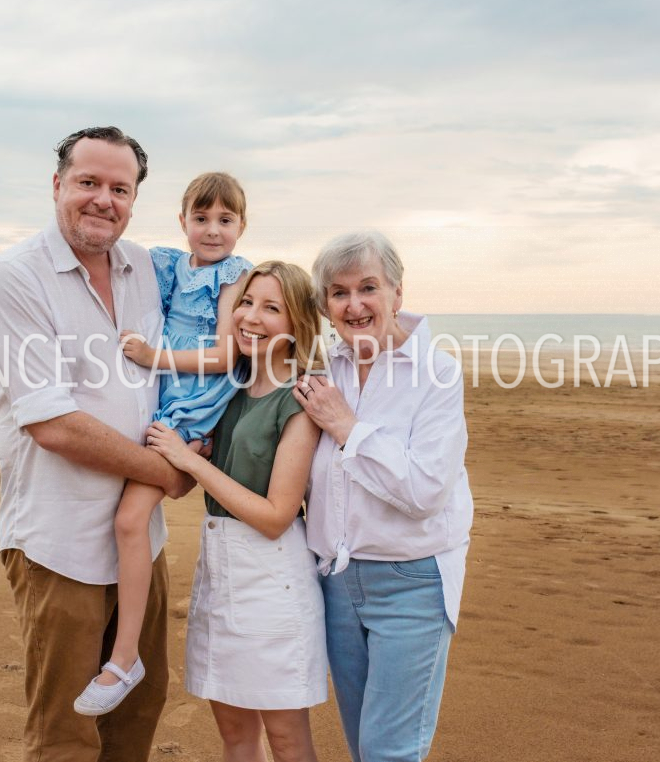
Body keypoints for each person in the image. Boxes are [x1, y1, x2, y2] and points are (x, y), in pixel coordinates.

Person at [0, 126, 196, 762]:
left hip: (141, 539)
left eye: (120, 189)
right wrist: (167, 472)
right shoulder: (15, 277)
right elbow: (53, 424)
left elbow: (224, 302)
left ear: (134, 200)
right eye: (88, 182)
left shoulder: (147, 269)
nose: (104, 199)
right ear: (57, 185)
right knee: (65, 732)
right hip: (58, 541)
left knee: (137, 712)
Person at [74, 172, 253, 715]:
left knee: (131, 520)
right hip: (160, 399)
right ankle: (124, 649)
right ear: (182, 221)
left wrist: (155, 358)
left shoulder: (233, 275)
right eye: (201, 218)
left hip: (191, 405)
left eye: (225, 220)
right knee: (128, 520)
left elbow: (227, 355)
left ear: (242, 226)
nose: (212, 230)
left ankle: (125, 657)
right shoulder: (170, 263)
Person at [293, 232, 473, 762]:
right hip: (334, 583)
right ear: (325, 306)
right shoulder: (323, 369)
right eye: (339, 292)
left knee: (388, 751)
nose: (355, 305)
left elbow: (425, 491)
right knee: (362, 745)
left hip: (411, 582)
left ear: (397, 291)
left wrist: (348, 427)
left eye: (368, 288)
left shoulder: (438, 372)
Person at [147, 261, 328, 762]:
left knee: (287, 739)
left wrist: (190, 460)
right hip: (217, 568)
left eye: (271, 308)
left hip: (273, 581)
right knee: (235, 735)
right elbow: (188, 480)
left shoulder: (300, 398)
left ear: (297, 323)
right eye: (246, 302)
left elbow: (276, 516)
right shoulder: (227, 387)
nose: (250, 316)